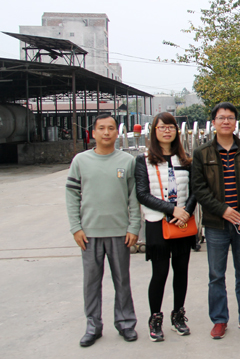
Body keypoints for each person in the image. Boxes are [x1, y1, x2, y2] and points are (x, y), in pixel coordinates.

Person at [65, 113, 141, 347]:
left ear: (117, 132)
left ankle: (125, 323)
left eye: (111, 128)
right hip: (89, 234)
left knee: (122, 280)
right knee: (91, 282)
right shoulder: (80, 161)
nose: (106, 132)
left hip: (120, 232)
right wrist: (76, 227)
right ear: (93, 132)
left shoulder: (127, 161)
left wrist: (134, 226)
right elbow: (72, 195)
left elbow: (134, 197)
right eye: (101, 128)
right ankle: (93, 326)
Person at [192, 102, 240, 338]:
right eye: (221, 117)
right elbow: (199, 189)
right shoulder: (202, 153)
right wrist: (222, 210)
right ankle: (219, 319)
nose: (226, 121)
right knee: (216, 275)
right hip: (216, 224)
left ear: (235, 122)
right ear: (213, 122)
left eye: (230, 117)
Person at [135, 112, 197, 342]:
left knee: (181, 271)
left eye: (171, 127)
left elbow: (195, 190)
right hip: (157, 223)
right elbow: (142, 194)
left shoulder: (186, 160)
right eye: (162, 127)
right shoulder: (143, 160)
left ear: (176, 131)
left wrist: (185, 212)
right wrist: (172, 210)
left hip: (182, 223)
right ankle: (155, 319)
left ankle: (178, 316)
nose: (167, 131)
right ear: (154, 131)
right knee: (160, 273)